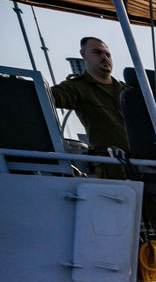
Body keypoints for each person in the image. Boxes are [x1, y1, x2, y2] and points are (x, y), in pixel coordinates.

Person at [48, 37, 127, 178]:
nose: (104, 57)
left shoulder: (126, 91)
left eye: (107, 54)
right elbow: (48, 97)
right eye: (97, 53)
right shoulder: (77, 87)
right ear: (83, 54)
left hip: (147, 164)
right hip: (112, 167)